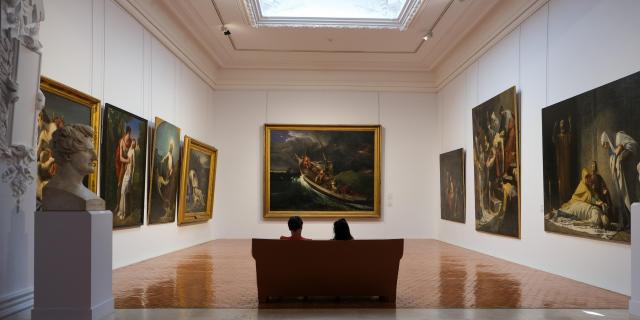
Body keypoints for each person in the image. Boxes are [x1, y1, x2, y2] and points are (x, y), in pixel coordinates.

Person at [116, 139, 136, 220]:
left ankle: (123, 213)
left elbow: (134, 165)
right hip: (125, 173)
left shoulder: (133, 152)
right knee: (122, 192)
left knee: (124, 191)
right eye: (132, 143)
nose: (132, 144)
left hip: (129, 174)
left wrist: (132, 177)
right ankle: (121, 211)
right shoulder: (129, 150)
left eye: (134, 144)